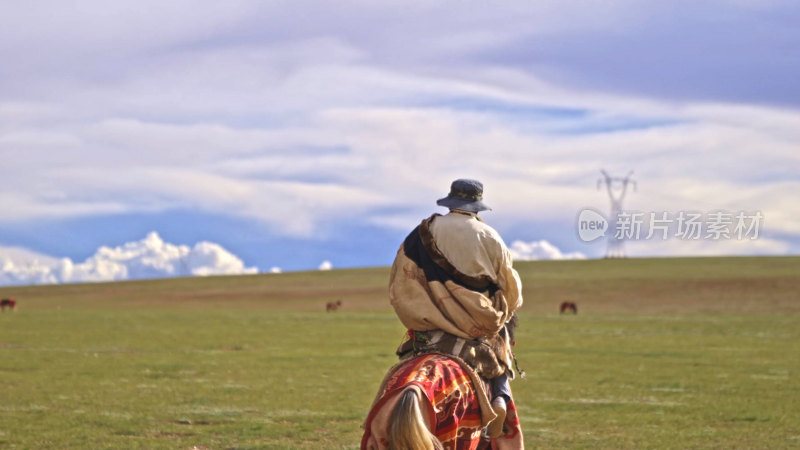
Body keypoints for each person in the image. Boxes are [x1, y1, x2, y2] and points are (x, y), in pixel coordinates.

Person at [389, 178, 523, 438]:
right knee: (500, 347)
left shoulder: (421, 233)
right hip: (477, 328)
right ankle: (500, 396)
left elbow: (401, 279)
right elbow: (511, 291)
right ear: (477, 205)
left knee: (406, 366)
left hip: (430, 328)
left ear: (450, 201)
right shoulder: (490, 237)